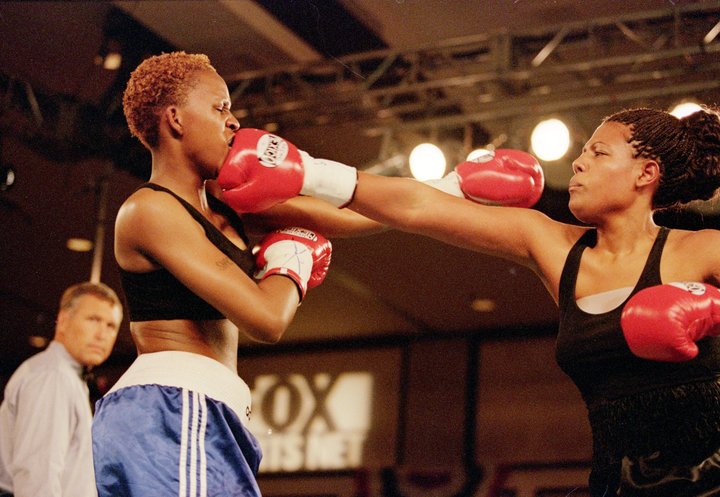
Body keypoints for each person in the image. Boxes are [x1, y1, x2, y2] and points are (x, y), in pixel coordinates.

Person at [218, 105, 720, 496]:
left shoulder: (701, 250)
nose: (578, 162)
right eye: (582, 152)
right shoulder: (550, 244)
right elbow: (417, 207)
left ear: (645, 173)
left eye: (599, 153)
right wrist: (306, 171)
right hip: (617, 481)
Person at [90, 51, 383, 497]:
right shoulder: (148, 210)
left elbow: (358, 215)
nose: (233, 122)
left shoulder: (228, 203)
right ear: (175, 119)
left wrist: (458, 191)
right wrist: (293, 260)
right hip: (172, 406)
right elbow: (266, 318)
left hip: (206, 410)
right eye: (220, 106)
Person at [0, 281, 122, 497]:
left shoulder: (64, 376)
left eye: (110, 326)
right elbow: (36, 479)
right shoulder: (53, 377)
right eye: (93, 320)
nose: (102, 334)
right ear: (63, 320)